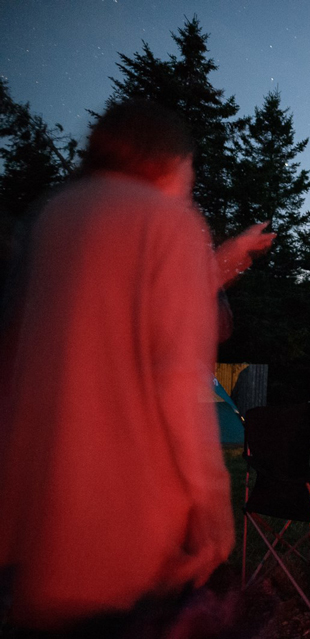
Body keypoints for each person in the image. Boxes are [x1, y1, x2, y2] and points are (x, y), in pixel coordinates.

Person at [0, 99, 273, 635]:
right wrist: (212, 505)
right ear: (169, 161)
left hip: (35, 524)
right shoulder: (166, 220)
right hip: (120, 523)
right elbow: (175, 379)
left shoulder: (55, 215)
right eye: (190, 170)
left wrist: (228, 257)